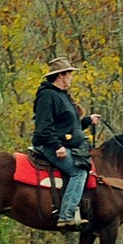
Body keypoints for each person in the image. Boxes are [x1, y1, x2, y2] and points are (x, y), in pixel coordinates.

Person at [30, 56, 96, 228]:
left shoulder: (62, 96)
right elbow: (44, 127)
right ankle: (66, 215)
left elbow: (68, 127)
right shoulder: (47, 96)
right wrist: (57, 146)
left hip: (63, 144)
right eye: (70, 74)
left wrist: (87, 121)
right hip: (48, 145)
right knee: (78, 172)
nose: (72, 78)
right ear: (61, 76)